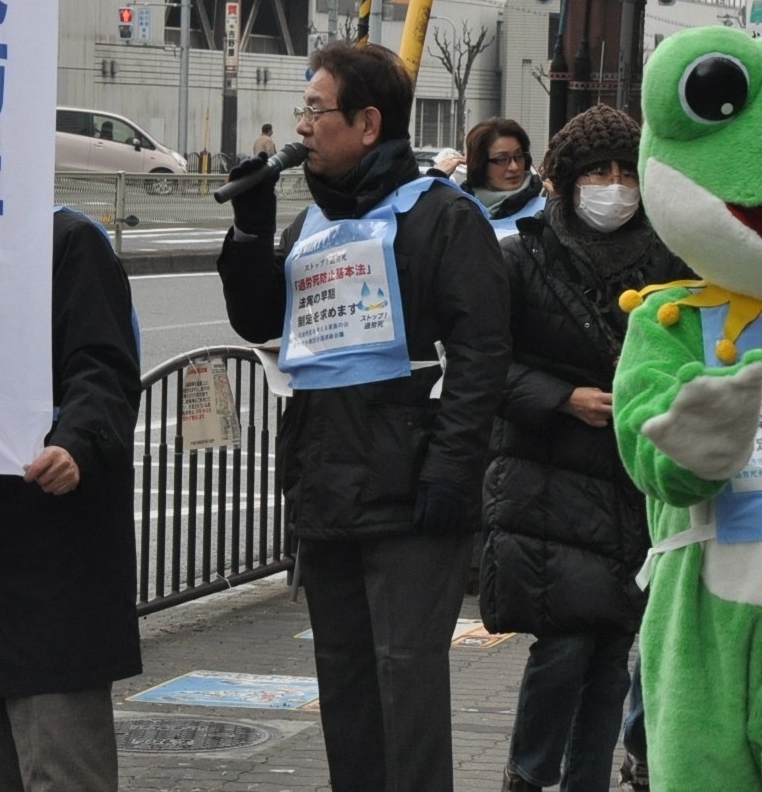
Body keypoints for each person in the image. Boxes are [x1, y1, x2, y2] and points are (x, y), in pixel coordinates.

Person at [217, 41, 511, 791]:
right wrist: (249, 230)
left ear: (369, 123)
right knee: (343, 681)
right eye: (303, 110)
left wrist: (450, 473)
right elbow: (260, 320)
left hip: (412, 490)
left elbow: (481, 358)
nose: (302, 126)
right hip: (327, 481)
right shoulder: (311, 225)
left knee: (405, 679)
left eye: (317, 110)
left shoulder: (444, 218)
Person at [480, 105, 694, 792]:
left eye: (627, 172)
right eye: (598, 171)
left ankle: (585, 781)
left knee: (612, 650)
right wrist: (562, 398)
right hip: (548, 479)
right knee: (566, 643)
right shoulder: (520, 258)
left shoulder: (671, 262)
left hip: (633, 481)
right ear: (566, 179)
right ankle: (529, 772)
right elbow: (483, 367)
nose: (615, 186)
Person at [0, 208, 143, 791]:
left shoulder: (68, 239)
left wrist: (76, 444)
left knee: (61, 768)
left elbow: (104, 367)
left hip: (51, 559)